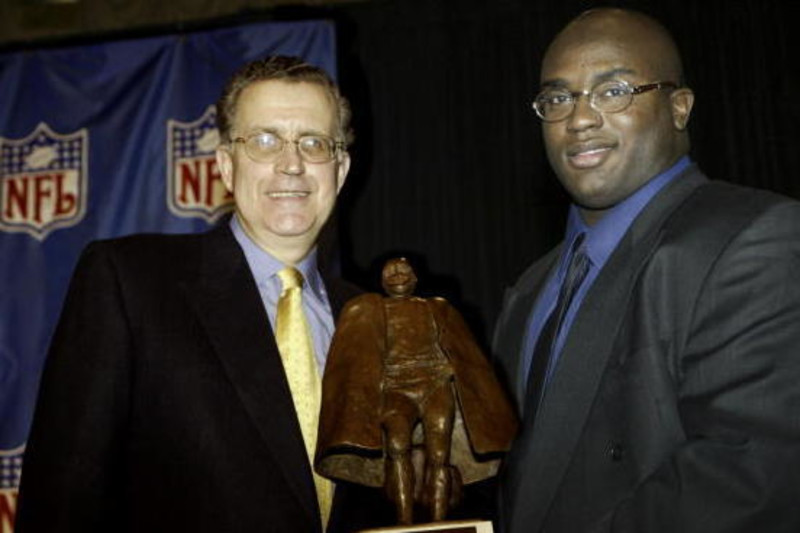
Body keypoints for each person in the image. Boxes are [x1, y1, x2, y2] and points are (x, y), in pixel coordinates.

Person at [16, 56, 371, 533]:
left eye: (313, 142)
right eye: (264, 141)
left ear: (341, 169)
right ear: (226, 163)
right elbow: (61, 501)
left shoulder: (375, 321)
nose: (292, 164)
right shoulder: (129, 283)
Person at [493, 8, 800, 533]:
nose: (580, 118)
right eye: (558, 98)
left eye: (613, 91)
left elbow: (748, 478)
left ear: (679, 107)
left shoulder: (756, 238)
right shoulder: (529, 291)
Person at [316, 257, 517, 525]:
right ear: (381, 281)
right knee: (397, 446)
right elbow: (353, 360)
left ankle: (438, 523)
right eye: (391, 271)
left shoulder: (438, 308)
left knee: (439, 456)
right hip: (396, 389)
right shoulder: (369, 311)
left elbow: (467, 357)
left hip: (435, 385)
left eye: (404, 270)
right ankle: (404, 523)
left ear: (415, 279)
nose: (398, 274)